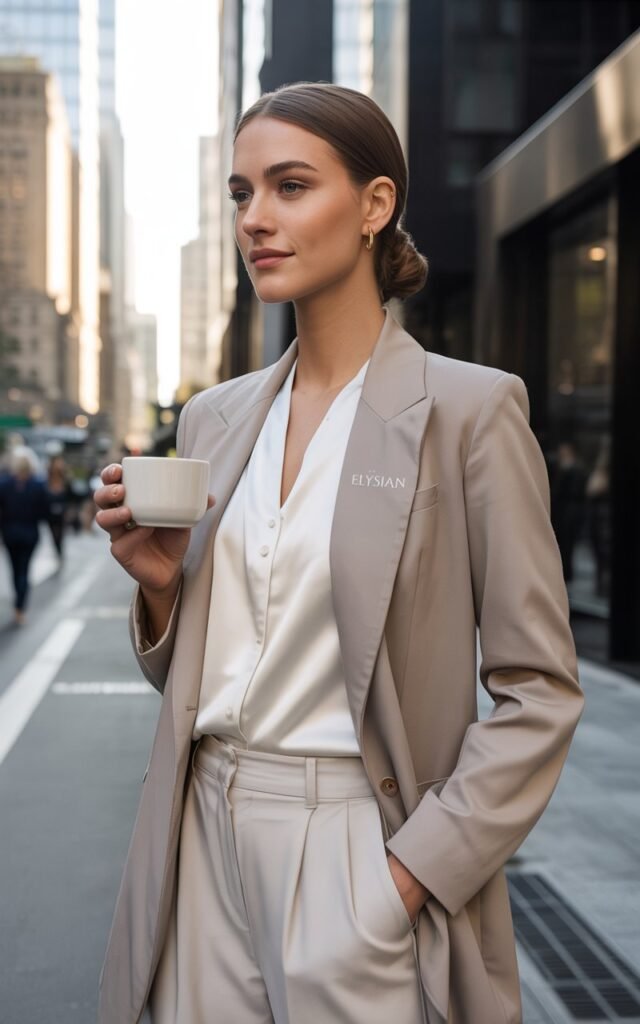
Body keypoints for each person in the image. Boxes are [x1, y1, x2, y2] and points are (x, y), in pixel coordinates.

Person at [94, 83, 584, 1024]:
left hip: (357, 845)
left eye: (290, 186)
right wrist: (163, 596)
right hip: (199, 835)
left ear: (374, 205)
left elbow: (540, 688)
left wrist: (408, 875)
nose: (257, 221)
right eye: (242, 194)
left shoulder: (471, 410)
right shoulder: (217, 416)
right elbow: (213, 675)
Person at [0, 445, 50, 625]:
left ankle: (18, 603)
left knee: (14, 570)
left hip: (10, 533)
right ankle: (20, 606)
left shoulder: (5, 484)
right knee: (24, 570)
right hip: (30, 533)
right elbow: (45, 511)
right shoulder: (38, 485)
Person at [46, 454, 73, 561]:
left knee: (60, 535)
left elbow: (71, 498)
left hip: (62, 513)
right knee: (53, 535)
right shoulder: (47, 481)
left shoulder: (66, 482)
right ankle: (57, 551)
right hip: (50, 514)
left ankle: (60, 552)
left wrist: (70, 511)